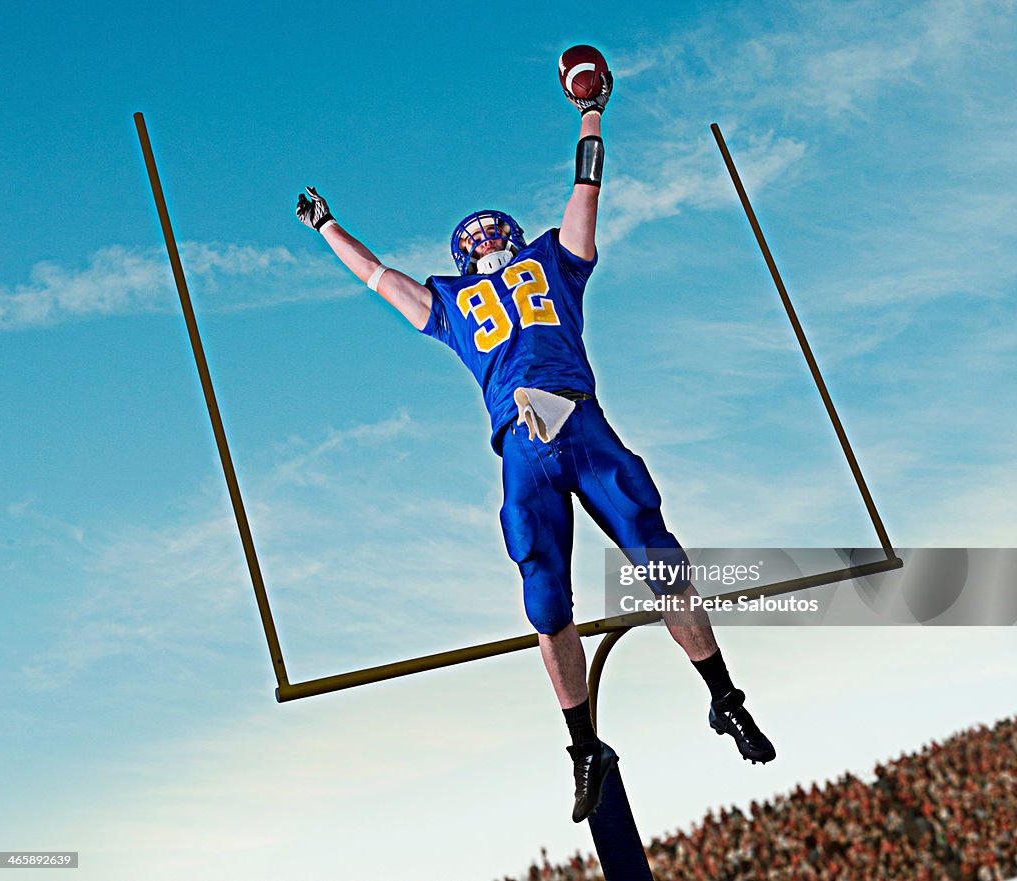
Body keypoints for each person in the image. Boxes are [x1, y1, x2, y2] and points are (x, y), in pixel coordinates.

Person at [296, 64, 775, 823]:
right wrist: (328, 229)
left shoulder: (554, 260)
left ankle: (724, 698)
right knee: (546, 601)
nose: (485, 237)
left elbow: (587, 190)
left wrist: (590, 113)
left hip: (579, 422)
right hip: (521, 445)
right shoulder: (450, 303)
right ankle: (584, 747)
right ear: (460, 255)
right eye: (473, 236)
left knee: (662, 558)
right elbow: (381, 278)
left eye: (493, 228)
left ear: (513, 235)